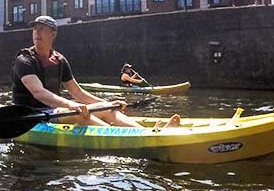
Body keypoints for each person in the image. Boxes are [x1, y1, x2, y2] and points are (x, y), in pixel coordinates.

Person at [12, 15, 180, 128]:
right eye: (35, 29)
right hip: (31, 115)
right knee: (80, 114)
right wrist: (71, 105)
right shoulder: (24, 60)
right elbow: (38, 92)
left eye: (42, 29)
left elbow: (78, 93)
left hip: (54, 111)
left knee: (108, 110)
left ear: (53, 34)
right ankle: (123, 138)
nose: (37, 33)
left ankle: (146, 132)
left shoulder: (60, 60)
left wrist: (107, 103)